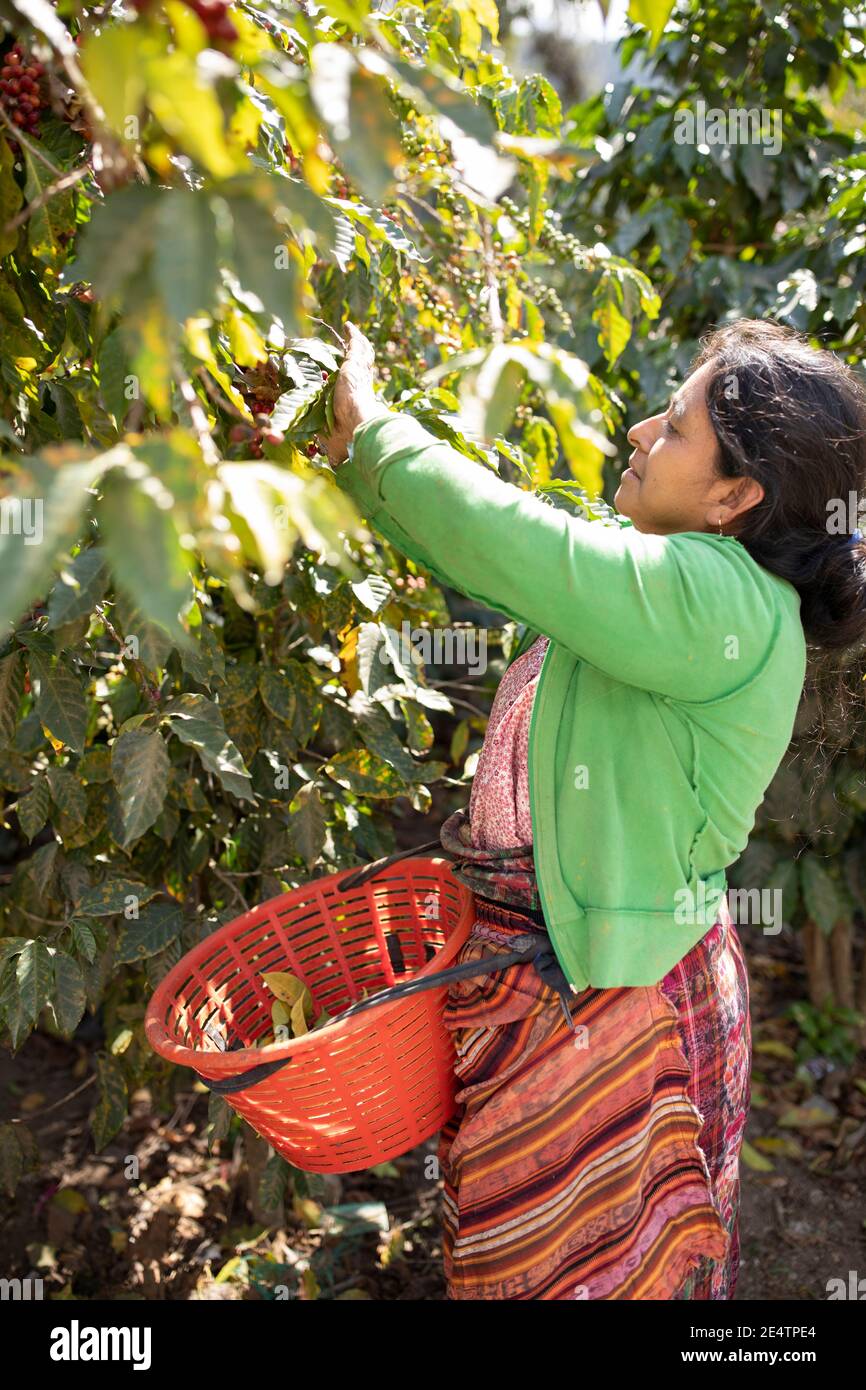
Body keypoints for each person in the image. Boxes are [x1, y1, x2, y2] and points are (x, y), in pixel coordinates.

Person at [317, 317, 866, 1300]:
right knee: (556, 1255)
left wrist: (382, 434)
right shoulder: (681, 577)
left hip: (613, 993)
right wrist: (361, 463)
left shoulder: (718, 601)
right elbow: (494, 556)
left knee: (593, 1268)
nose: (639, 432)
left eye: (676, 428)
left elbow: (524, 547)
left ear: (735, 496)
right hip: (566, 973)